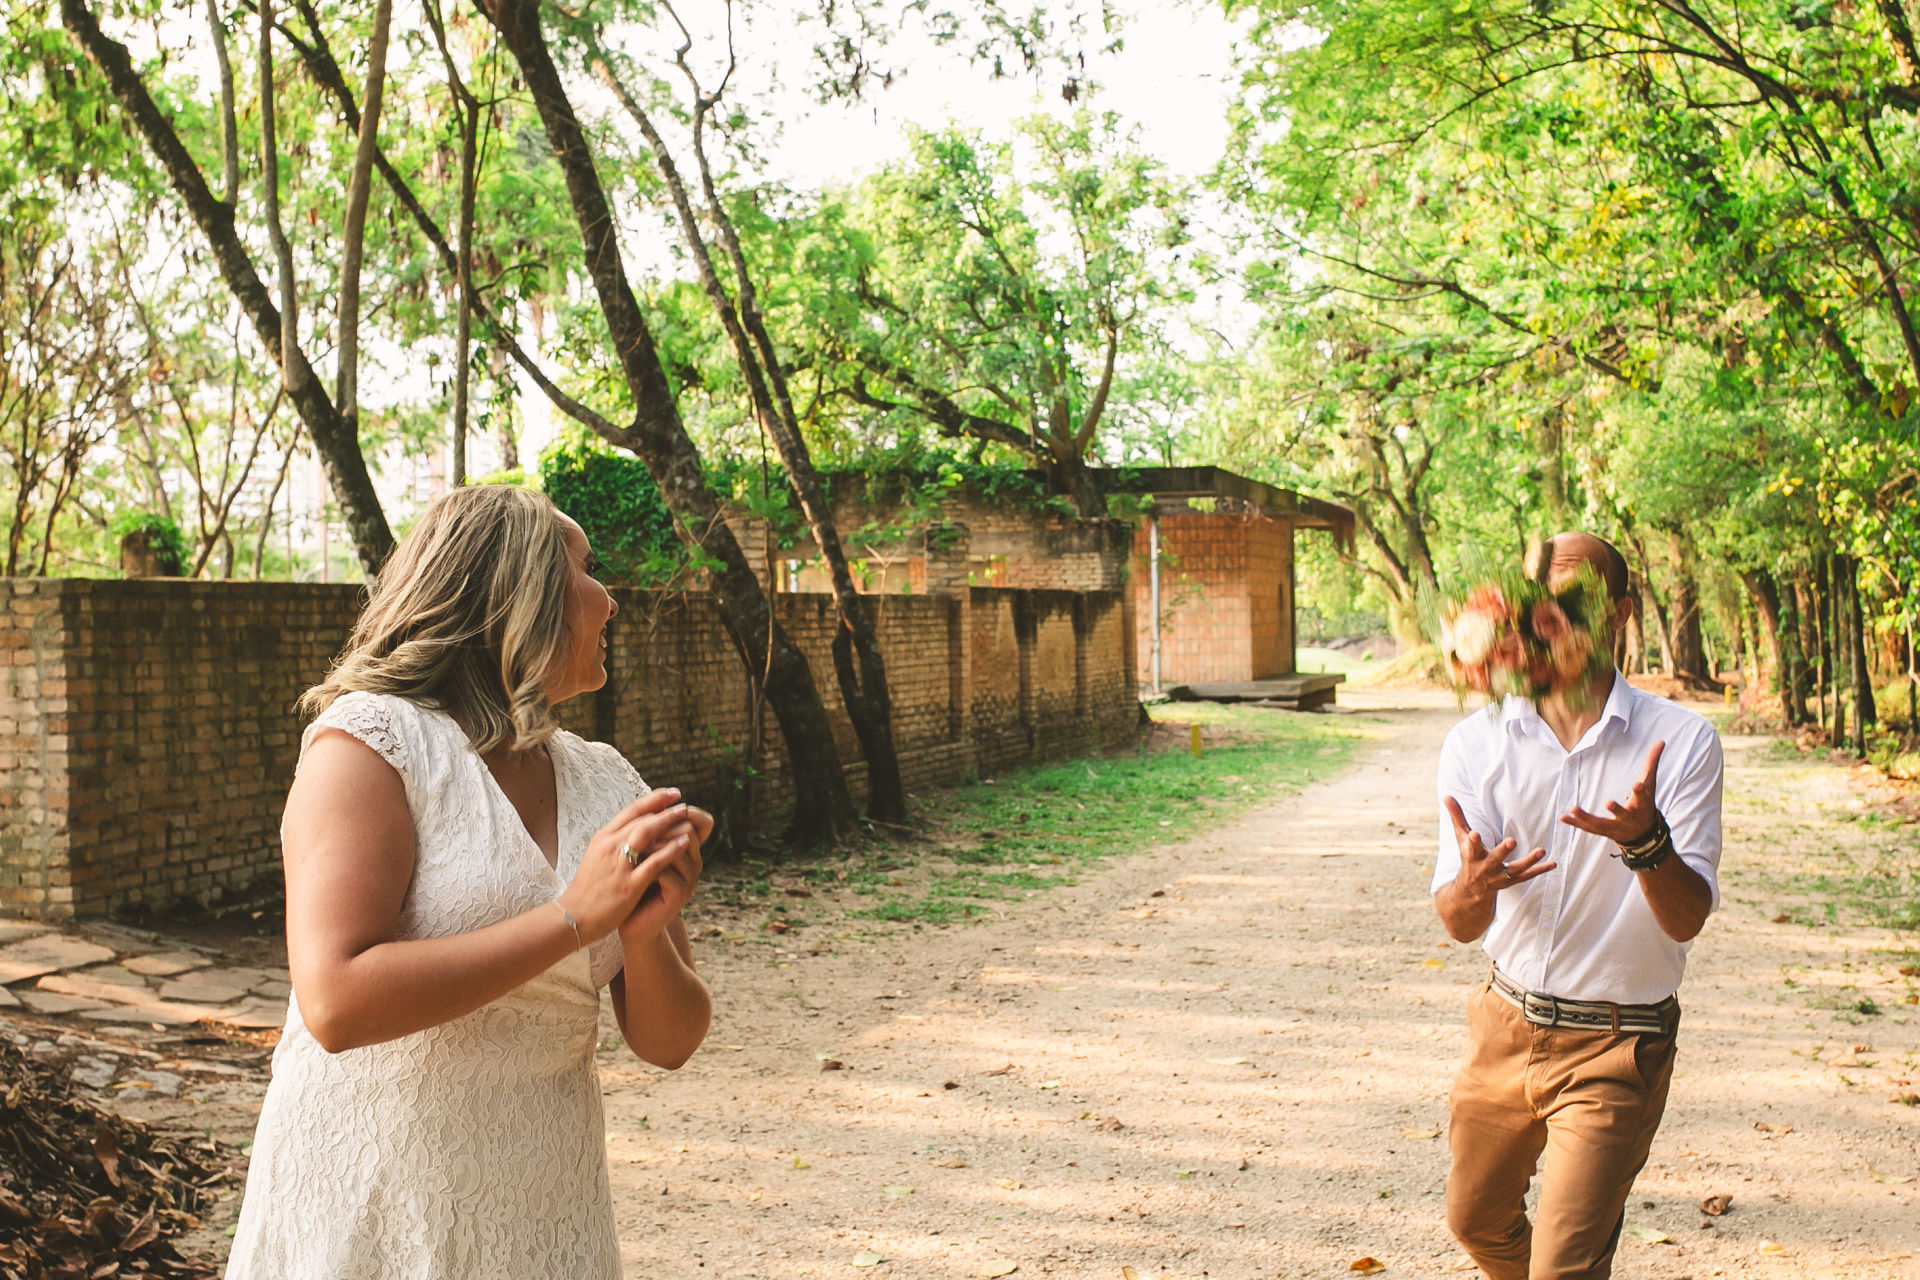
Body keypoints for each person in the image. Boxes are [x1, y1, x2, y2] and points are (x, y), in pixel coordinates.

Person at [226, 485, 713, 1278]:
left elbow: (670, 1041)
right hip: (378, 1203)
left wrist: (644, 931)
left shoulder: (606, 780)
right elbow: (336, 999)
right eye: (586, 571)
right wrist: (572, 919)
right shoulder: (369, 743)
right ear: (519, 594)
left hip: (545, 1213)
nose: (611, 600)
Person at [1432, 532, 1724, 1280]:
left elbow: (1685, 919)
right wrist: (1471, 889)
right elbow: (1460, 925)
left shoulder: (1682, 743)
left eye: (1575, 600)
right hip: (1504, 1025)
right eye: (1539, 603)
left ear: (1621, 612)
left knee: (1563, 1266)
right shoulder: (1477, 741)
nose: (1551, 619)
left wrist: (1647, 844)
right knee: (1475, 1222)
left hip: (1616, 1047)